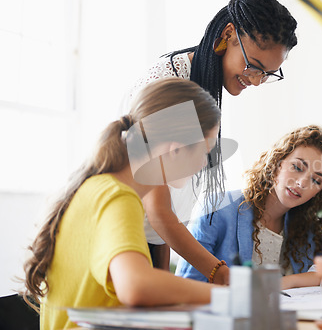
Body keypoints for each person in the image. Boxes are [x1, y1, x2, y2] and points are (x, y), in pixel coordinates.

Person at [23, 78, 222, 330]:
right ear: (175, 149)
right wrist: (229, 297)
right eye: (205, 152)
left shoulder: (98, 188)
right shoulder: (117, 197)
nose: (205, 164)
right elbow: (136, 286)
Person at [124, 0, 299, 284]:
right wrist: (219, 273)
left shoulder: (202, 85)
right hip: (125, 242)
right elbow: (156, 207)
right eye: (253, 65)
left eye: (266, 74)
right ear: (228, 34)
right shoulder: (167, 85)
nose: (256, 81)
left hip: (150, 245)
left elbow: (165, 212)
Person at [175, 126, 322, 290]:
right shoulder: (217, 208)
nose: (302, 183)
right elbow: (186, 285)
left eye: (316, 180)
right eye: (297, 167)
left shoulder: (309, 232)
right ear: (278, 162)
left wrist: (290, 281)